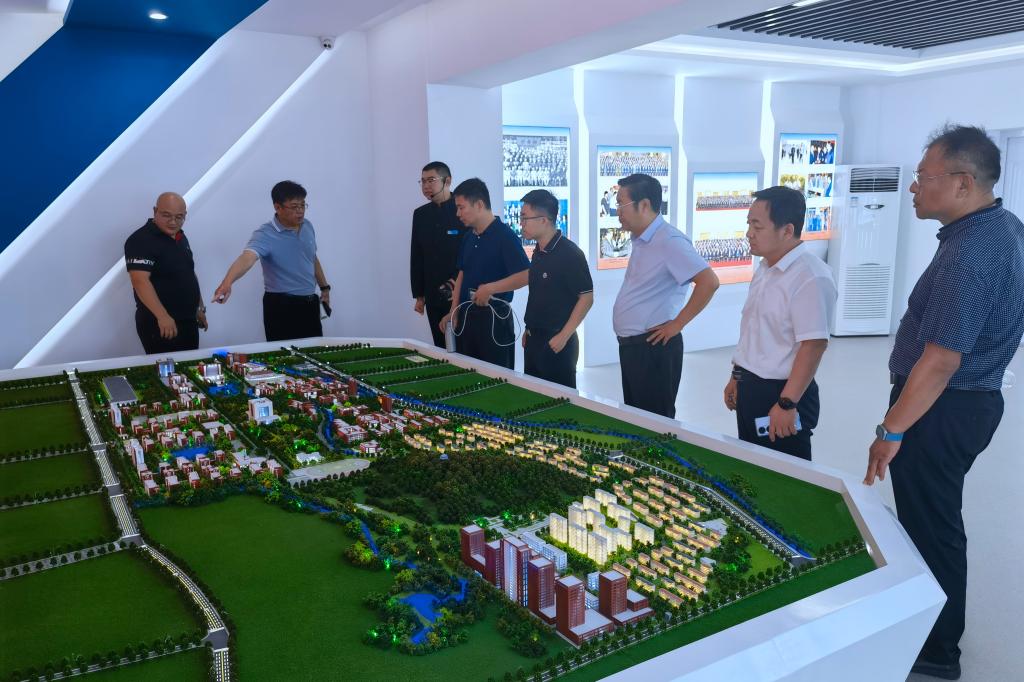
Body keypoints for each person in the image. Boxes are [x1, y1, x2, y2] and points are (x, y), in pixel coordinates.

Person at [864, 125, 1024, 681]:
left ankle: (935, 651)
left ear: (961, 183)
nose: (913, 188)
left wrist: (890, 430)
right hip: (966, 403)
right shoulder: (1002, 227)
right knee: (933, 520)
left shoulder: (971, 253)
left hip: (943, 407)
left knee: (932, 527)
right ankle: (931, 624)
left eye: (922, 176)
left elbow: (940, 361)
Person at [723, 186, 836, 460]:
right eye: (749, 224)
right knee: (752, 465)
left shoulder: (810, 276)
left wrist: (787, 403)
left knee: (785, 472)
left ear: (787, 230)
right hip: (751, 387)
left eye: (757, 226)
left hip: (782, 393)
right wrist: (737, 376)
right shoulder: (765, 269)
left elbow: (813, 345)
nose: (749, 233)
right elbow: (754, 331)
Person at [611, 173, 719, 418]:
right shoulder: (642, 239)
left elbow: (709, 282)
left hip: (654, 348)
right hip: (634, 348)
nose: (617, 211)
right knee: (637, 419)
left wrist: (677, 324)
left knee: (655, 422)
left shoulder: (669, 240)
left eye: (621, 204)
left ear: (644, 205)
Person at [473, 189, 593, 388]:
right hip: (534, 340)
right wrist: (529, 330)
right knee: (535, 395)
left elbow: (587, 298)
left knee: (559, 401)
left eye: (525, 218)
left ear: (544, 220)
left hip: (557, 342)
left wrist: (564, 336)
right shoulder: (538, 251)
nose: (521, 223)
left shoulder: (570, 254)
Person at [212, 181, 331, 342]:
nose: (300, 211)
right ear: (278, 207)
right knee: (284, 354)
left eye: (303, 205)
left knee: (315, 350)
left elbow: (312, 258)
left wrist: (324, 288)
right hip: (282, 306)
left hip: (310, 302)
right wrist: (227, 283)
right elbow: (246, 258)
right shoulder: (265, 234)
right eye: (294, 206)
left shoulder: (307, 226)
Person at [439, 178, 530, 370]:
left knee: (496, 377)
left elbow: (526, 275)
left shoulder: (505, 236)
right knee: (468, 373)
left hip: (494, 320)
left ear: (479, 205)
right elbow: (462, 274)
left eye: (461, 207)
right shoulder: (469, 237)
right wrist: (453, 311)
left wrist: (491, 288)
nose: (457, 214)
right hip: (467, 317)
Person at [124, 192, 207, 354]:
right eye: (166, 215)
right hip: (160, 323)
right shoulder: (140, 240)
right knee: (168, 369)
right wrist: (162, 316)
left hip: (188, 320)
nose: (173, 222)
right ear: (155, 211)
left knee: (189, 367)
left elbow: (189, 273)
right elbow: (140, 281)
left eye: (179, 217)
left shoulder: (181, 237)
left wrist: (199, 307)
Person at [410, 161, 467, 347]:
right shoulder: (420, 214)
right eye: (423, 181)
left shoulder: (462, 210)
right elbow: (417, 255)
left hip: (459, 293)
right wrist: (419, 295)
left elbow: (468, 255)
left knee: (462, 349)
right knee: (441, 347)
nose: (426, 186)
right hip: (433, 294)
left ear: (447, 181)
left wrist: (455, 283)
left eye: (431, 180)